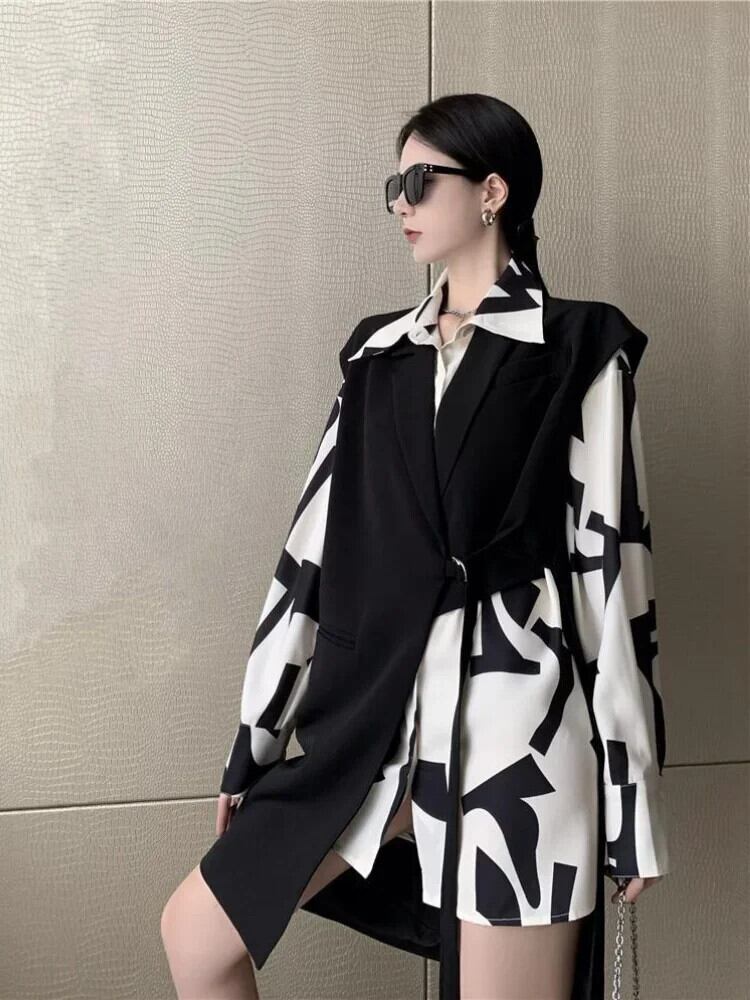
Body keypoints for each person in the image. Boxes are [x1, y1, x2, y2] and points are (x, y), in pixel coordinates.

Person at [161, 93, 670, 1000]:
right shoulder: (378, 355)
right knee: (196, 937)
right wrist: (257, 739)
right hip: (374, 724)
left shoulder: (578, 347)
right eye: (393, 185)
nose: (401, 202)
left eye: (420, 180)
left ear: (492, 192)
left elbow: (612, 577)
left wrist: (630, 803)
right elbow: (309, 558)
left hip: (519, 741)